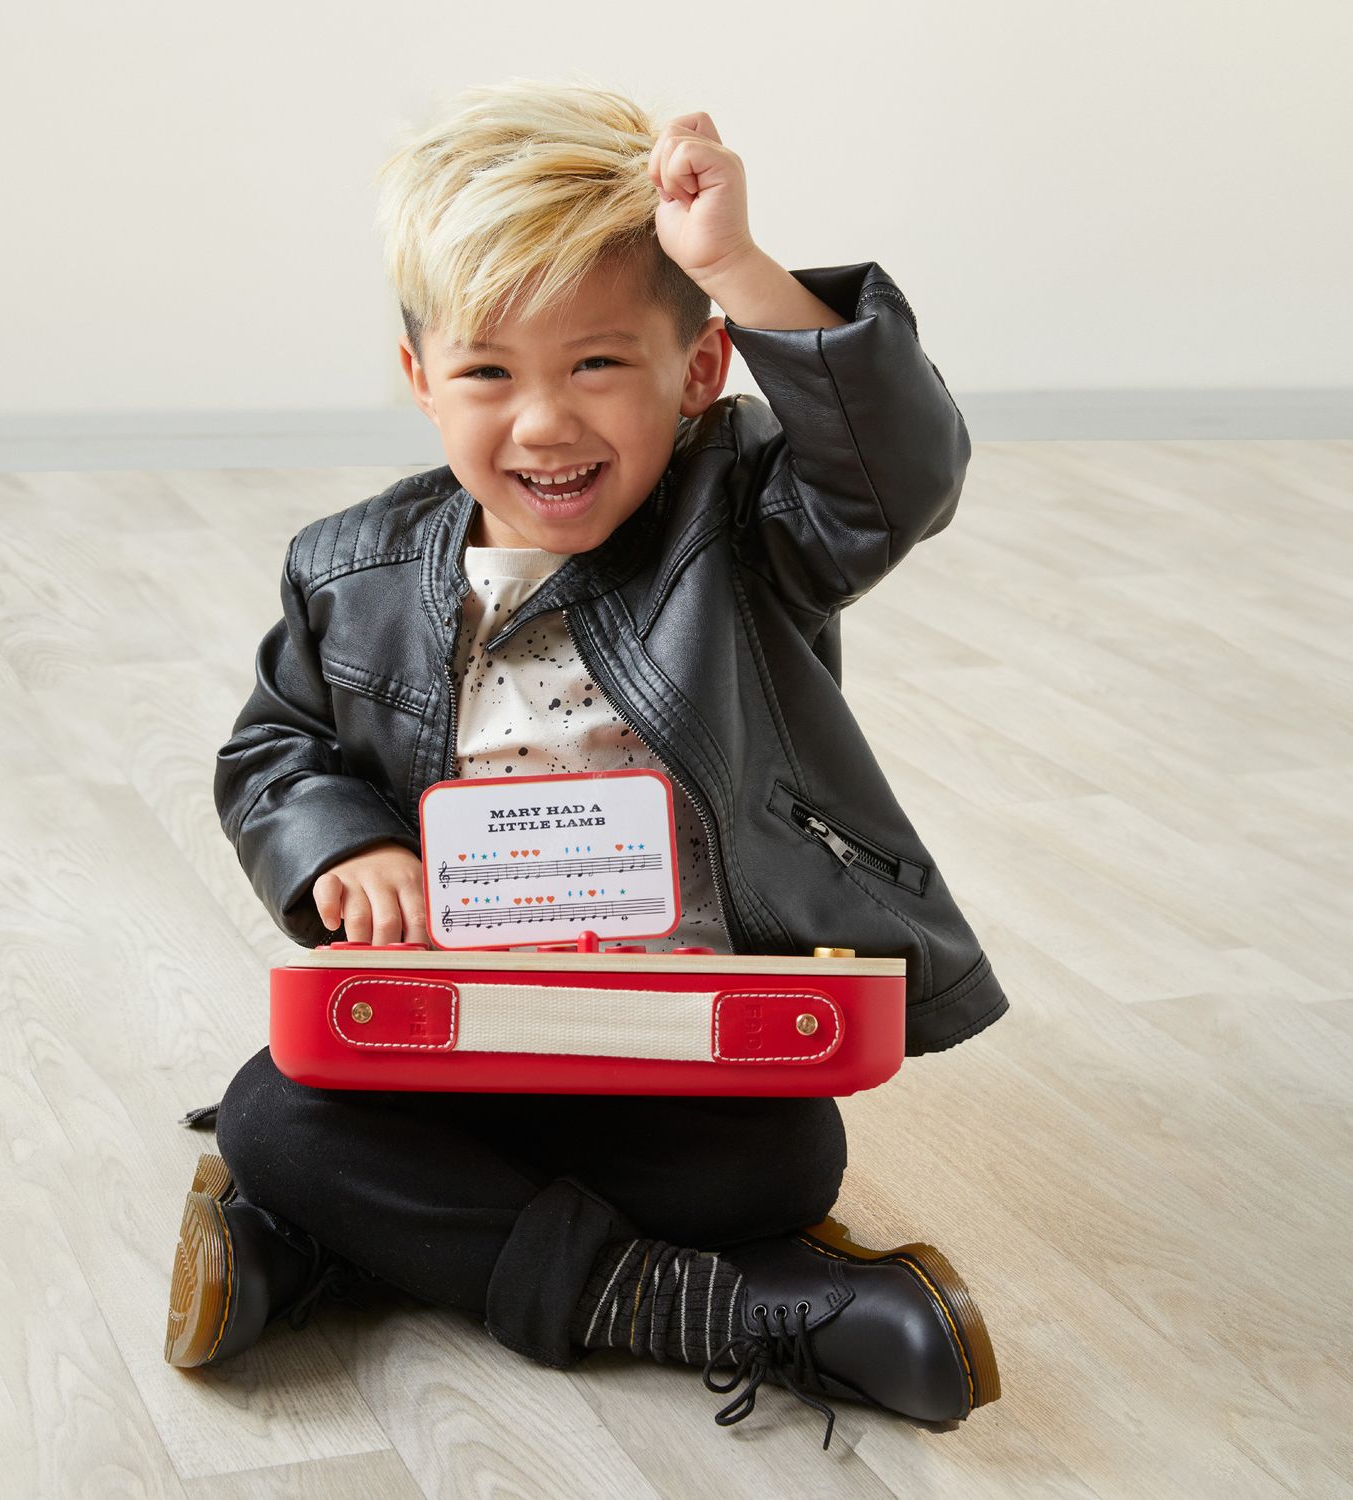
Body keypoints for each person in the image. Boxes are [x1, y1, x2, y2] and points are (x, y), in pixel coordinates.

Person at [164, 77, 1007, 1450]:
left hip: (675, 1042)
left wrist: (733, 262)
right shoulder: (350, 568)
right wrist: (345, 844)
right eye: (490, 372)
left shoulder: (746, 526)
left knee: (786, 1164)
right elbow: (276, 751)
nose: (544, 422)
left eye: (597, 365)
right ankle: (691, 1311)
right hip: (459, 1034)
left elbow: (894, 470)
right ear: (419, 379)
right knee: (276, 1113)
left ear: (698, 370)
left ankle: (333, 1255)